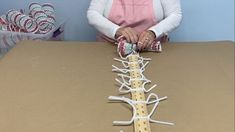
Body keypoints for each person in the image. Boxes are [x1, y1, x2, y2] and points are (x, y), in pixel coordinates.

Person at [87, 0, 182, 51]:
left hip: (151, 49)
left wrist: (153, 32)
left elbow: (175, 15)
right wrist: (116, 30)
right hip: (110, 48)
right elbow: (93, 14)